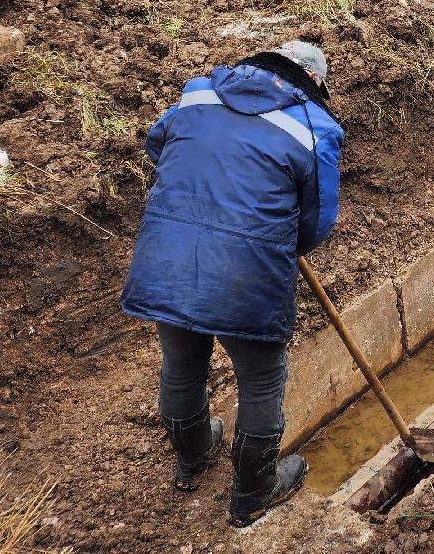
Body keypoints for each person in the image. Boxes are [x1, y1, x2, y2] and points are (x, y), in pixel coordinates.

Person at [120, 40, 343, 528]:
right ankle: (253, 491)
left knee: (181, 364)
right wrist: (280, 235)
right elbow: (316, 224)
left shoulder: (199, 93)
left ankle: (194, 455)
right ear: (315, 83)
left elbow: (159, 145)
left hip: (169, 257)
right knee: (261, 379)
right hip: (248, 271)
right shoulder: (314, 125)